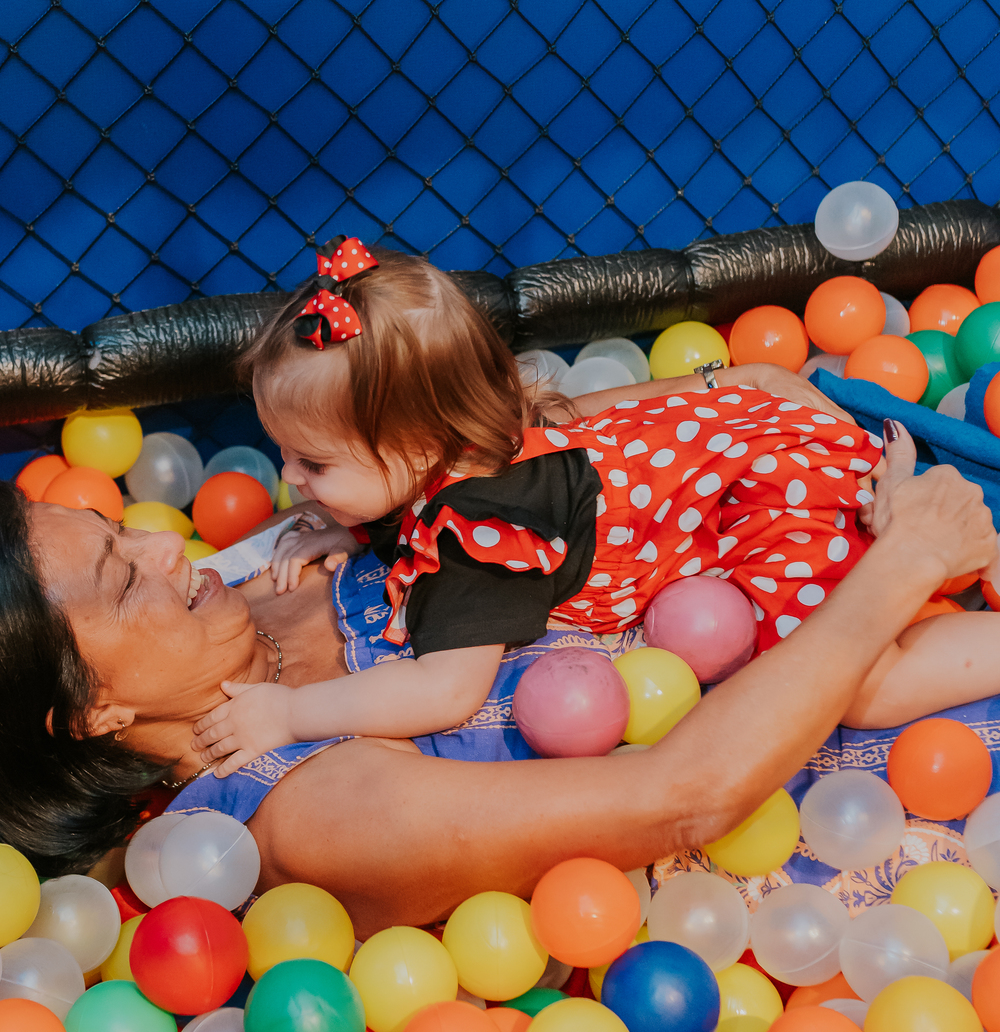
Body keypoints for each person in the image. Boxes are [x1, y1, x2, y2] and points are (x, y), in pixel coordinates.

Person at [0, 436, 999, 935]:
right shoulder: (307, 812)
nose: (159, 545)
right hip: (889, 794)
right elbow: (686, 794)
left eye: (114, 529)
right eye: (119, 579)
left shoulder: (273, 585)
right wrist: (899, 569)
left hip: (822, 594)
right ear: (93, 713)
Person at [193, 238, 997, 777]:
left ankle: (919, 556)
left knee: (855, 686)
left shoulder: (486, 534)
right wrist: (356, 518)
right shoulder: (473, 440)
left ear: (415, 449)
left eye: (314, 463)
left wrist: (293, 712)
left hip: (771, 496)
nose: (289, 478)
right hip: (755, 441)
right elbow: (407, 491)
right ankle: (880, 508)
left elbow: (444, 690)